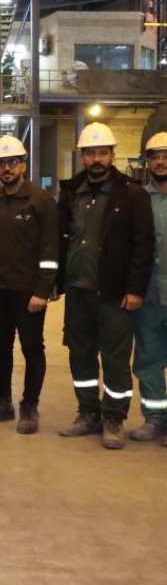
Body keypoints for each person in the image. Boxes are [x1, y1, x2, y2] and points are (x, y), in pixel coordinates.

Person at [57, 123, 154, 449]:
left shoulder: (132, 194)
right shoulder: (71, 191)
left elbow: (143, 245)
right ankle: (88, 412)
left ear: (112, 155)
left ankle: (113, 417)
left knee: (115, 359)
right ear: (82, 156)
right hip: (78, 290)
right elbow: (60, 239)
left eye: (102, 152)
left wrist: (135, 289)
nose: (96, 159)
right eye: (90, 153)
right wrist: (56, 282)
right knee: (80, 355)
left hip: (113, 293)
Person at [0, 135, 58, 434]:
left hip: (28, 292)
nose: (7, 168)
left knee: (32, 348)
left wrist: (42, 291)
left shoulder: (40, 201)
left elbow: (50, 249)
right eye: (1, 163)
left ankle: (29, 406)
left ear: (23, 165)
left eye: (12, 162)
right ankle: (1, 402)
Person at [132, 132, 167, 443]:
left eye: (166, 156)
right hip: (149, 296)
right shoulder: (138, 199)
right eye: (155, 157)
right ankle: (154, 418)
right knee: (148, 360)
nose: (161, 162)